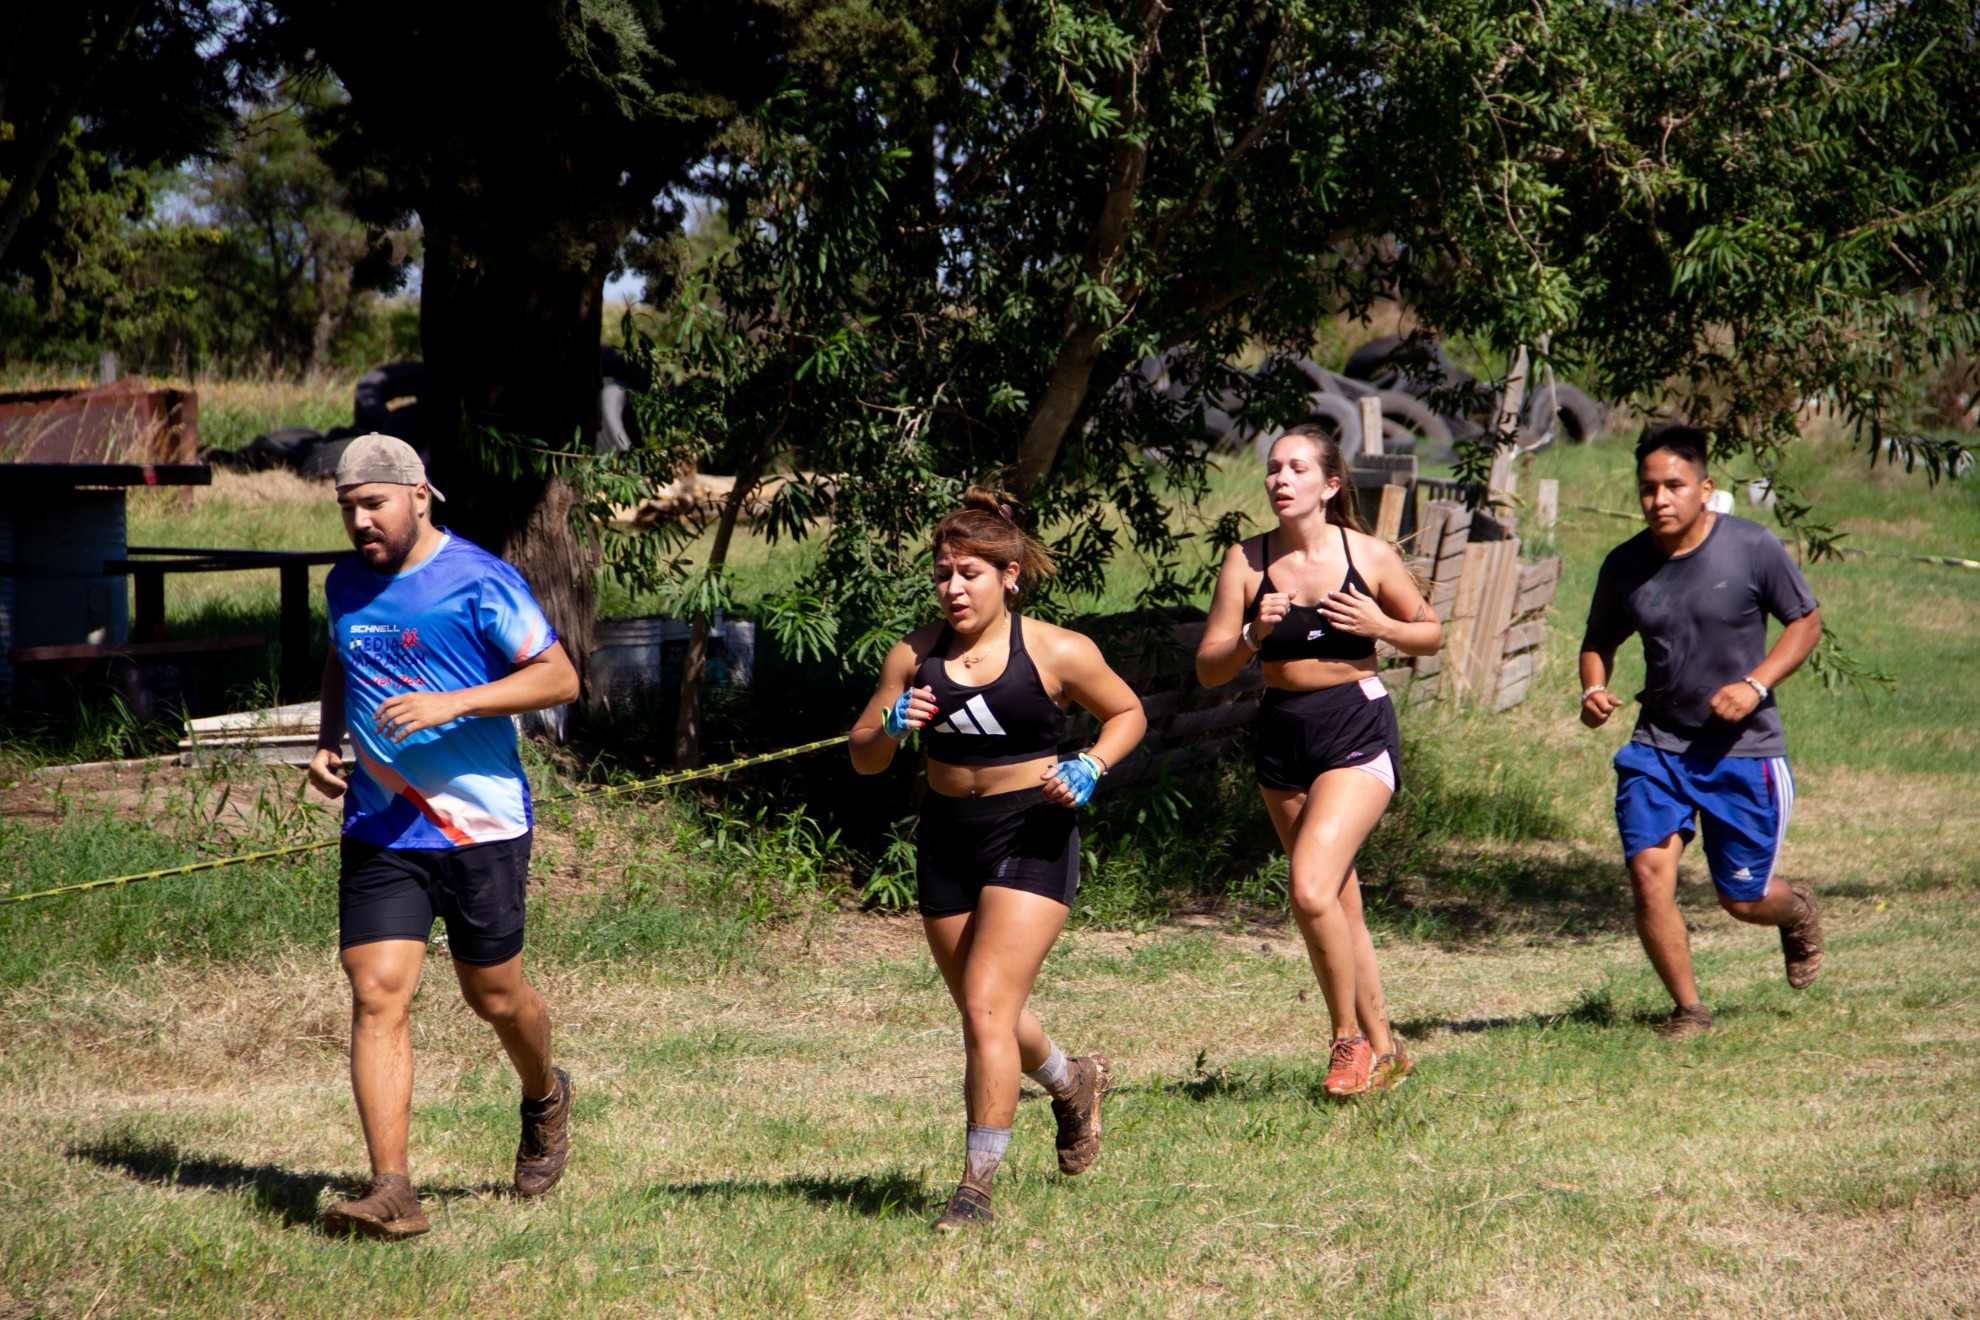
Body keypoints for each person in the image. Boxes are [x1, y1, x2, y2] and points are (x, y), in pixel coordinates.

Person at [306, 433, 582, 1239]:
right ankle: (392, 1186)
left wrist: (452, 703)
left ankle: (545, 1094)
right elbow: (340, 661)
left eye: (373, 504)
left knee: (493, 995)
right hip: (382, 825)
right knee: (376, 991)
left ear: (418, 496)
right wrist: (329, 743)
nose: (360, 522)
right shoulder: (345, 584)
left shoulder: (480, 579)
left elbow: (559, 677)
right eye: (348, 508)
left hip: (480, 825)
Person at [850, 488, 1147, 1233]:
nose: (953, 588)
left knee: (985, 1009)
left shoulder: (1056, 650)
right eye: (943, 574)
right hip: (947, 835)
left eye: (970, 574)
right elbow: (862, 757)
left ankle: (974, 1189)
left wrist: (1093, 766)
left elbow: (1128, 712)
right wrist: (891, 727)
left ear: (1010, 575)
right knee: (989, 1013)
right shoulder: (912, 655)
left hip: (1031, 832)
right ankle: (1073, 1083)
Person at [1195, 425, 1443, 1097]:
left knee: (1308, 888)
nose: (1280, 478)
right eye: (1273, 467)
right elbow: (1210, 669)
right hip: (1282, 736)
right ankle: (1388, 1049)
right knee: (1337, 903)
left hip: (1356, 727)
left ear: (1330, 486)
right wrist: (1252, 635)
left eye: (1296, 468)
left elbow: (1431, 633)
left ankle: (1347, 1041)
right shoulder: (1245, 562)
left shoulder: (1370, 555)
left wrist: (1381, 627)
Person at [1580, 424, 1825, 1039]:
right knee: (1647, 874)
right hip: (1657, 747)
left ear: (1705, 489)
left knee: (1741, 900)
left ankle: (1794, 911)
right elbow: (1598, 641)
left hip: (1742, 753)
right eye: (1647, 488)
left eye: (1673, 486)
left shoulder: (1751, 547)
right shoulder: (1626, 564)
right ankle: (1690, 1010)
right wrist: (1592, 687)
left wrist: (1756, 685)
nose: (1659, 500)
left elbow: (1805, 624)